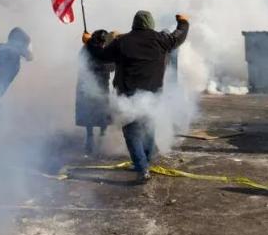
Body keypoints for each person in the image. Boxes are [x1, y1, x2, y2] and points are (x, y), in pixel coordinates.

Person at [85, 10, 189, 182]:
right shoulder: (160, 40)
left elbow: (102, 56)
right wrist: (183, 22)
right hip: (153, 93)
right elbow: (179, 36)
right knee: (148, 127)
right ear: (151, 23)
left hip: (128, 94)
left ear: (134, 23)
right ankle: (145, 162)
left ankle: (142, 168)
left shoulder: (122, 42)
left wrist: (90, 42)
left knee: (132, 132)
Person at [76, 29, 115, 155]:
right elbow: (111, 66)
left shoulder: (85, 49)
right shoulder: (100, 51)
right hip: (96, 86)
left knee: (90, 112)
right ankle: (97, 139)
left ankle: (92, 138)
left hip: (87, 87)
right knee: (100, 112)